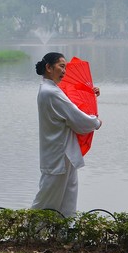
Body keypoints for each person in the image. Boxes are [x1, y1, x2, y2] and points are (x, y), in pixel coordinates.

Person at [31, 52, 102, 217]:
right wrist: (95, 122)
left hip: (64, 152)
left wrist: (89, 94)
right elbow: (75, 116)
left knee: (68, 197)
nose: (64, 70)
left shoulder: (52, 89)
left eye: (65, 67)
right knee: (47, 199)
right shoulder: (51, 92)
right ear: (49, 68)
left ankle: (64, 233)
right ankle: (33, 233)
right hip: (58, 154)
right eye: (61, 66)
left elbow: (72, 102)